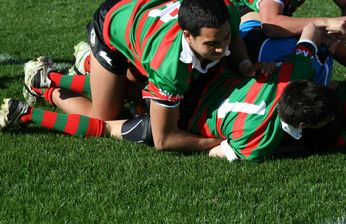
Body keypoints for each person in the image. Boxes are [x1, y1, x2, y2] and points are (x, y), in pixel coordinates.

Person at [0, 23, 340, 162]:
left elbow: (310, 30)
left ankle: (50, 78)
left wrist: (329, 26)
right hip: (183, 118)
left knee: (128, 89)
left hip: (197, 81)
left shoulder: (297, 71)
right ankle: (34, 103)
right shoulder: (258, 142)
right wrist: (216, 142)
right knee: (107, 124)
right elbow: (217, 152)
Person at [22, 0, 278, 152]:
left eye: (225, 38)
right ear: (187, 36)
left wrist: (245, 64)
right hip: (111, 23)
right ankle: (43, 84)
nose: (223, 49)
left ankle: (82, 67)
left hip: (142, 20)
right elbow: (163, 139)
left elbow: (233, 35)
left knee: (131, 90)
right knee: (104, 119)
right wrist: (219, 143)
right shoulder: (170, 65)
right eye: (212, 45)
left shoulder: (222, 10)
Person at [230, 0, 346, 87]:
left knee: (326, 45)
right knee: (317, 58)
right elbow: (271, 24)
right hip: (249, 33)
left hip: (272, 32)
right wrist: (326, 22)